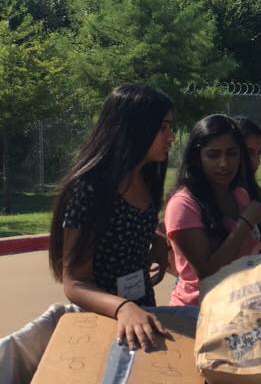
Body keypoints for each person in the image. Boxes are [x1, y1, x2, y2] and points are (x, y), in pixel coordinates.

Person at [48, 84, 175, 350]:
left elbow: (125, 224)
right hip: (105, 322)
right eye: (163, 127)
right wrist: (123, 307)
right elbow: (75, 282)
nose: (171, 137)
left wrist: (154, 239)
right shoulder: (90, 189)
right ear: (135, 128)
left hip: (142, 312)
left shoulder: (148, 177)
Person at [163, 114, 261, 306]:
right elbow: (208, 274)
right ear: (197, 157)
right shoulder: (183, 205)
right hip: (198, 313)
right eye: (213, 155)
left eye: (232, 153)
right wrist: (245, 222)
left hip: (241, 307)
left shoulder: (240, 195)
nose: (224, 163)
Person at [231, 115, 261, 251]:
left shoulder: (256, 193)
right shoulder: (212, 196)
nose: (256, 161)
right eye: (249, 152)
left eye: (259, 153)